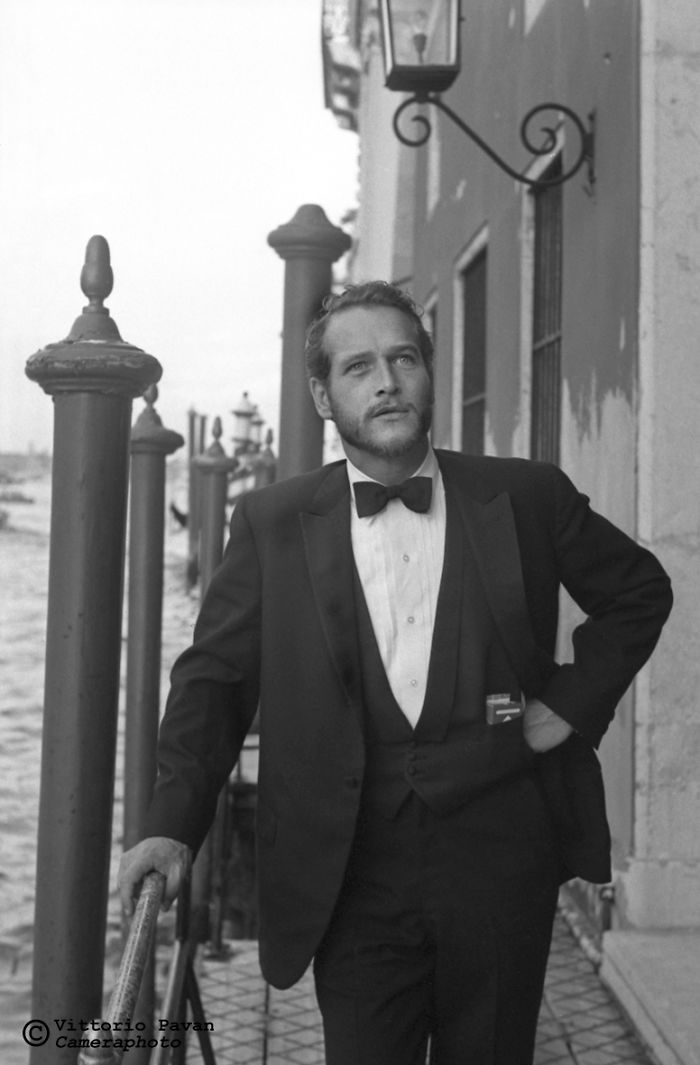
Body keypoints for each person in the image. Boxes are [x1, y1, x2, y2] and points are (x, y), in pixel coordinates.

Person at [119, 281, 672, 1065]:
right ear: (322, 392)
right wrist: (170, 825)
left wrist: (567, 703)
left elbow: (639, 591)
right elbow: (213, 683)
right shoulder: (273, 523)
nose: (386, 381)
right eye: (359, 367)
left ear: (428, 372)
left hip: (503, 861)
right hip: (348, 874)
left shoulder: (524, 495)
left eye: (403, 357)